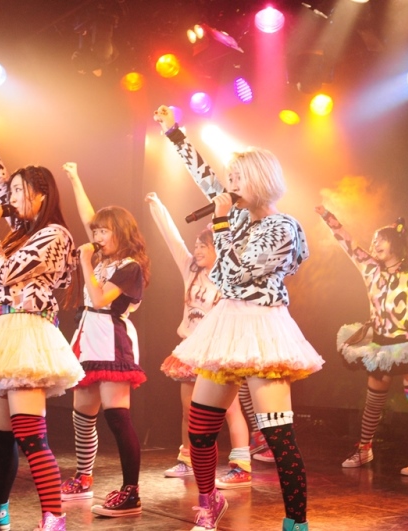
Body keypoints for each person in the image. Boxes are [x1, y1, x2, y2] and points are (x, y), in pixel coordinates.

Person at [154, 105, 324, 531]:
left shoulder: (282, 228)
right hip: (227, 325)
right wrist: (174, 133)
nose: (228, 187)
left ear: (260, 182)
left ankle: (296, 522)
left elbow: (234, 272)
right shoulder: (237, 216)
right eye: (229, 179)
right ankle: (209, 502)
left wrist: (221, 223)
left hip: (263, 327)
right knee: (200, 428)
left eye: (237, 180)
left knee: (279, 436)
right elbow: (204, 177)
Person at [0, 110, 84, 531]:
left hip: (28, 332)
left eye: (19, 191)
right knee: (1, 436)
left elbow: (5, 271)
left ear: (41, 196)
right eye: (10, 191)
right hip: (1, 330)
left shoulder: (55, 235)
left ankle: (54, 518)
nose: (9, 197)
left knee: (30, 434)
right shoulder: (22, 231)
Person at [315, 206, 408, 476]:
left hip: (407, 345)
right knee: (373, 402)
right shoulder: (370, 268)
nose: (374, 245)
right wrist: (328, 217)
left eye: (381, 240)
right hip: (380, 345)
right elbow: (347, 243)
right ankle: (364, 449)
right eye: (373, 241)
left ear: (395, 243)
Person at [146, 191, 273, 490]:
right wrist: (158, 207)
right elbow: (173, 240)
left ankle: (241, 464)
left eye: (204, 245)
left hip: (217, 350)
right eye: (196, 246)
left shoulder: (229, 277)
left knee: (230, 410)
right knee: (188, 410)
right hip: (190, 349)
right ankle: (187, 458)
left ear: (218, 248)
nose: (197, 250)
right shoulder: (190, 270)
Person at [57, 163, 149, 517]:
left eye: (103, 231)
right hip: (87, 336)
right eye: (95, 231)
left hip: (112, 338)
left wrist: (84, 260)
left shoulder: (130, 266)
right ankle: (84, 477)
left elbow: (98, 299)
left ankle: (131, 490)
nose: (95, 235)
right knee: (82, 414)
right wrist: (75, 178)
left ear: (120, 233)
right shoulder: (100, 256)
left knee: (117, 417)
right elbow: (88, 216)